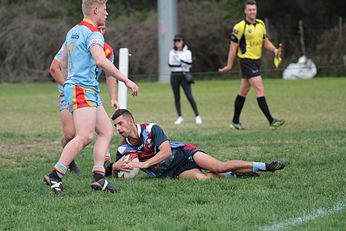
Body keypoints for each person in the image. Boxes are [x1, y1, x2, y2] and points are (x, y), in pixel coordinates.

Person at [44, 0, 139, 196]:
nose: (107, 14)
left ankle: (98, 177)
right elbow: (100, 60)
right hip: (83, 88)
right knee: (85, 136)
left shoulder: (73, 31)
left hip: (86, 89)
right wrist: (127, 80)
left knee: (106, 131)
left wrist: (69, 82)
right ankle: (56, 175)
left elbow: (62, 62)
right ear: (95, 10)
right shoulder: (94, 33)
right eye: (105, 10)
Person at [106, 109, 285, 180]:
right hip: (173, 172)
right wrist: (114, 167)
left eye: (121, 123)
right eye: (116, 126)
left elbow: (166, 151)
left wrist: (144, 164)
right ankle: (237, 176)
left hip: (185, 154)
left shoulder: (151, 129)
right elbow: (116, 173)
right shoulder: (124, 149)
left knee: (218, 166)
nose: (118, 128)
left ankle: (265, 166)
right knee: (205, 180)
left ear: (131, 121)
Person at [49, 24, 117, 174]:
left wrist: (113, 97)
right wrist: (68, 87)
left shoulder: (107, 51)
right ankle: (64, 164)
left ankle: (100, 169)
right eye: (97, 28)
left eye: (103, 28)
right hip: (71, 90)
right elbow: (54, 68)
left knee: (102, 130)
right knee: (71, 134)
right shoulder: (75, 42)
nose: (100, 31)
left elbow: (110, 73)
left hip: (90, 92)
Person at [219, 0, 284, 130]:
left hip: (256, 61)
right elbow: (233, 48)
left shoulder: (261, 24)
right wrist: (229, 66)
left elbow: (265, 42)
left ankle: (235, 122)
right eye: (249, 10)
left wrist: (275, 50)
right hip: (246, 61)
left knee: (243, 91)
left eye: (254, 9)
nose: (252, 12)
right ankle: (271, 121)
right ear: (245, 11)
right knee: (260, 89)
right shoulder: (239, 27)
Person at [168, 34, 202, 125]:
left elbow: (189, 64)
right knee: (176, 97)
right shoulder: (172, 52)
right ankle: (179, 117)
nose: (177, 42)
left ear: (183, 41)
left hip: (184, 75)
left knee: (189, 96)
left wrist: (179, 60)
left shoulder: (188, 52)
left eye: (178, 40)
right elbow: (171, 65)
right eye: (175, 41)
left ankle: (197, 116)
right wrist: (183, 62)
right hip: (174, 76)